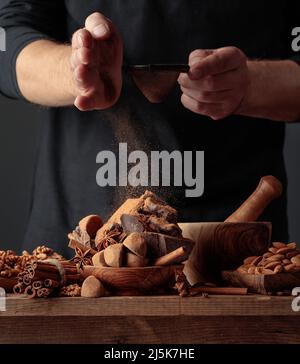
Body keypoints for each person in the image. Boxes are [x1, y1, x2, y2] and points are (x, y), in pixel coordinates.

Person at [0, 1, 299, 256]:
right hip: (80, 243)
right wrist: (74, 70)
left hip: (240, 246)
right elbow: (7, 37)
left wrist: (251, 85)